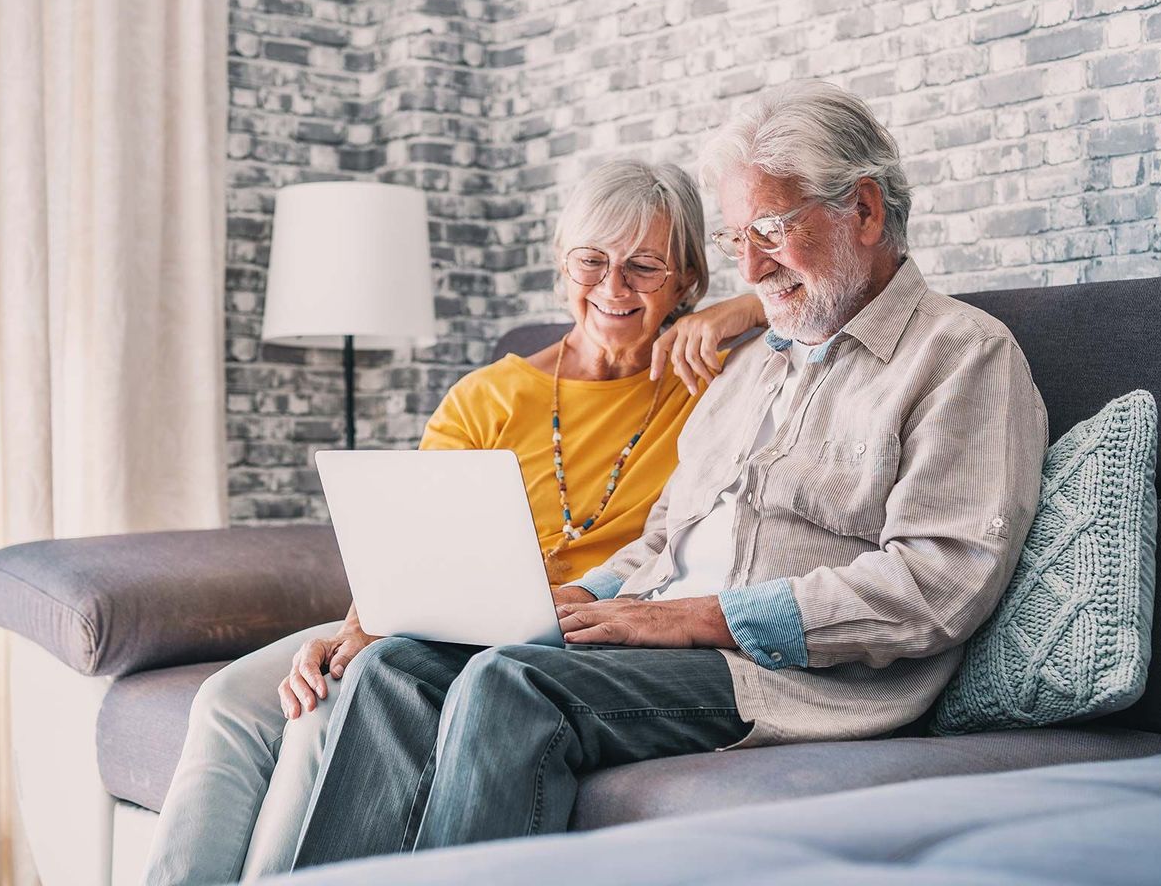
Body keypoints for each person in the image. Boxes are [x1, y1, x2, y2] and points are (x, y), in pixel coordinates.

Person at [288, 80, 1050, 869]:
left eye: (770, 231)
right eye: (734, 240)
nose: (750, 267)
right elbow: (661, 541)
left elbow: (938, 584)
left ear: (862, 210)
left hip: (778, 676)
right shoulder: (750, 370)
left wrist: (699, 617)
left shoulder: (961, 356)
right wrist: (590, 596)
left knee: (512, 683)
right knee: (395, 667)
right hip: (657, 639)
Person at [140, 160, 766, 885]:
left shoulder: (717, 382)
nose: (613, 288)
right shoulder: (487, 396)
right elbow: (405, 549)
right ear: (563, 266)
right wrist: (353, 628)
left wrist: (740, 309)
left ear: (687, 278)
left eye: (645, 267)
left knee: (322, 713)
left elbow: (807, 312)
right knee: (229, 701)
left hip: (574, 634)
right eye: (591, 262)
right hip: (441, 619)